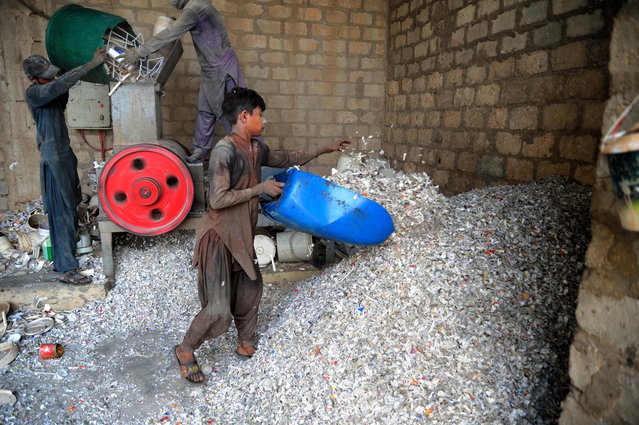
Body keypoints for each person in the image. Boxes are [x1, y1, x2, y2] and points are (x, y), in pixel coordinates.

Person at [174, 87, 350, 383]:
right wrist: (260, 189)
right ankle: (185, 349)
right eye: (259, 114)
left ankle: (245, 341)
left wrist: (324, 149)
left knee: (251, 289)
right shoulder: (224, 151)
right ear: (244, 116)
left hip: (242, 235)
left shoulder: (255, 148)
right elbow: (217, 200)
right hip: (219, 237)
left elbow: (286, 157)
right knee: (218, 307)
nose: (264, 121)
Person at [122, 0, 247, 163]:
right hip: (211, 70)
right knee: (205, 111)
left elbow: (170, 33)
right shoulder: (194, 8)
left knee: (230, 111)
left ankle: (248, 150)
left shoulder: (196, 8)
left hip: (222, 68)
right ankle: (201, 151)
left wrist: (139, 52)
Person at [23, 48, 107, 285]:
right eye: (45, 75)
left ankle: (67, 260)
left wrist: (67, 77)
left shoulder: (49, 91)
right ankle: (65, 269)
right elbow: (55, 88)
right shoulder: (35, 93)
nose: (50, 78)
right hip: (52, 160)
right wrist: (89, 65)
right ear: (33, 79)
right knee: (60, 213)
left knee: (71, 208)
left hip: (64, 155)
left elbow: (61, 92)